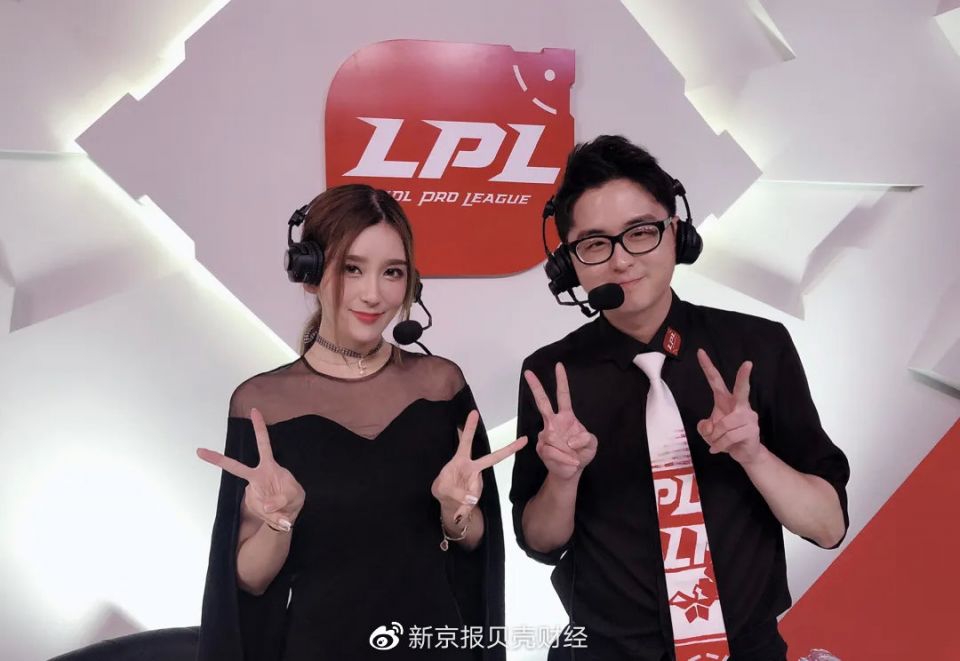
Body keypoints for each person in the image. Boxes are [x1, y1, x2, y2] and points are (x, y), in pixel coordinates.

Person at [510, 136, 850, 661]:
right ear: (569, 264)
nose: (621, 260)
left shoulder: (758, 348)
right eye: (595, 244)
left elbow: (828, 528)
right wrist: (563, 479)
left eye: (640, 233)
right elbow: (540, 542)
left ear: (676, 233)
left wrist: (754, 455)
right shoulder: (552, 376)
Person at [195, 184, 526, 660]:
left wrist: (455, 512)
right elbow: (248, 581)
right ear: (309, 273)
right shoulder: (263, 404)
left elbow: (473, 543)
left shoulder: (440, 385)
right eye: (352, 269)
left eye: (392, 272)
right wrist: (278, 523)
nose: (373, 294)